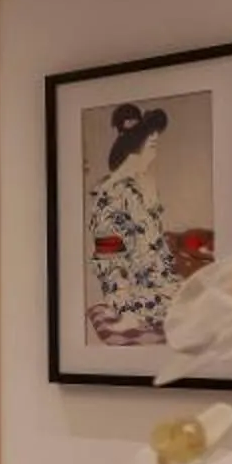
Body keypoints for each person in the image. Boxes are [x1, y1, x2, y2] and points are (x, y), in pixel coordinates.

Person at [87, 103, 179, 346]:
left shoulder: (144, 189)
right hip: (136, 297)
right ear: (131, 150)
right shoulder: (113, 194)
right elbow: (109, 260)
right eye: (151, 144)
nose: (155, 150)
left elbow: (158, 250)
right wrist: (127, 312)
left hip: (161, 288)